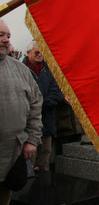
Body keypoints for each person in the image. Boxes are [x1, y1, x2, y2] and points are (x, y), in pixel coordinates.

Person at [0, 20, 43, 205]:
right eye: (1, 35)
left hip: (11, 155)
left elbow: (36, 104)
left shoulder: (20, 70)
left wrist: (31, 140)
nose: (6, 39)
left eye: (8, 35)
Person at [23, 41, 64, 172]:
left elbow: (57, 90)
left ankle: (44, 182)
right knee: (30, 156)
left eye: (42, 52)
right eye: (36, 52)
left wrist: (44, 103)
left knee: (45, 152)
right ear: (28, 53)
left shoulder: (50, 69)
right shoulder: (22, 70)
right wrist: (35, 106)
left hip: (47, 118)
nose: (40, 54)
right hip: (28, 122)